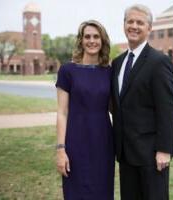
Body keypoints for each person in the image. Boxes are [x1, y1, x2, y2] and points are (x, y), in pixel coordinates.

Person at [111, 4, 173, 200]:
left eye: (140, 22)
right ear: (124, 25)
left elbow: (168, 108)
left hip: (151, 155)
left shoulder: (159, 62)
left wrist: (165, 149)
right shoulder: (117, 63)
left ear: (149, 28)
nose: (134, 26)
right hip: (125, 154)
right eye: (130, 21)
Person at [55, 20, 114, 200]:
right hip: (75, 143)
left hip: (103, 143)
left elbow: (116, 108)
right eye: (87, 36)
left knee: (102, 192)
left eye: (96, 36)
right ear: (81, 41)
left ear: (102, 40)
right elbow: (62, 112)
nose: (91, 40)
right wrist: (60, 149)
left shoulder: (110, 72)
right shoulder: (67, 71)